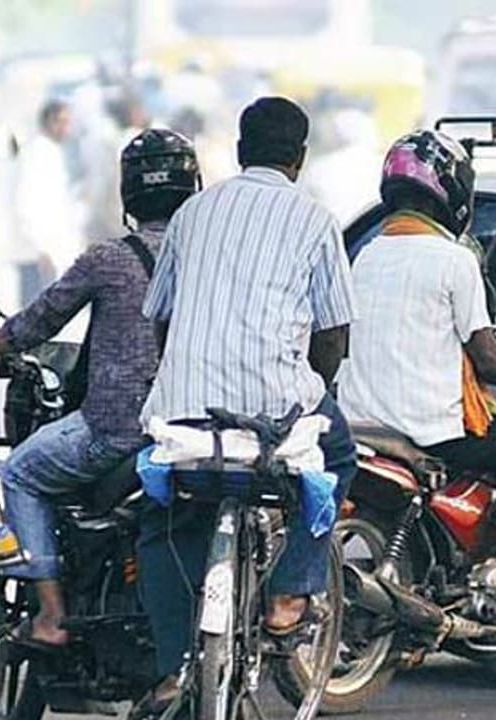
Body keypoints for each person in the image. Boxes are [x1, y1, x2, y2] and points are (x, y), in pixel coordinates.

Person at [130, 96, 357, 717]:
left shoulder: (192, 213)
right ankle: (289, 593)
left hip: (184, 410)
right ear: (300, 158)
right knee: (339, 454)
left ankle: (173, 666)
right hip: (274, 409)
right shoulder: (314, 220)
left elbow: (162, 320)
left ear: (237, 151)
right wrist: (317, 391)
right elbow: (333, 335)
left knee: (160, 523)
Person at [0, 128, 201, 649]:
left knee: (19, 472)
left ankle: (49, 617)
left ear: (129, 193)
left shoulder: (108, 258)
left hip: (117, 430)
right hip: (198, 430)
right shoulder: (213, 259)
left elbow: (36, 321)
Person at [337, 130, 496, 620]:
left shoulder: (363, 257)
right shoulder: (454, 259)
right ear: (451, 193)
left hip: (364, 423)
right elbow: (488, 359)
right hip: (431, 428)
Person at [13, 98, 77, 306]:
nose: (68, 128)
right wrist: (42, 248)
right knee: (34, 313)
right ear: (51, 122)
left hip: (49, 249)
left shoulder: (50, 151)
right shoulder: (37, 153)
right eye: (64, 122)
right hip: (37, 253)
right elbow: (28, 202)